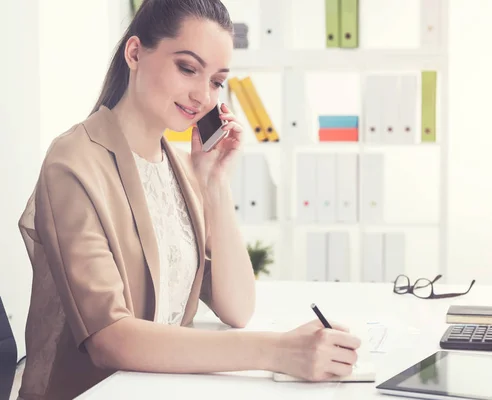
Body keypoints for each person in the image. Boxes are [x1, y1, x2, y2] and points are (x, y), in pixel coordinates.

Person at [16, 1, 361, 399]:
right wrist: (278, 350)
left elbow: (237, 308)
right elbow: (108, 338)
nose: (202, 95)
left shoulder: (180, 168)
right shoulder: (74, 162)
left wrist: (214, 184)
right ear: (135, 53)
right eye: (187, 68)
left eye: (216, 81)